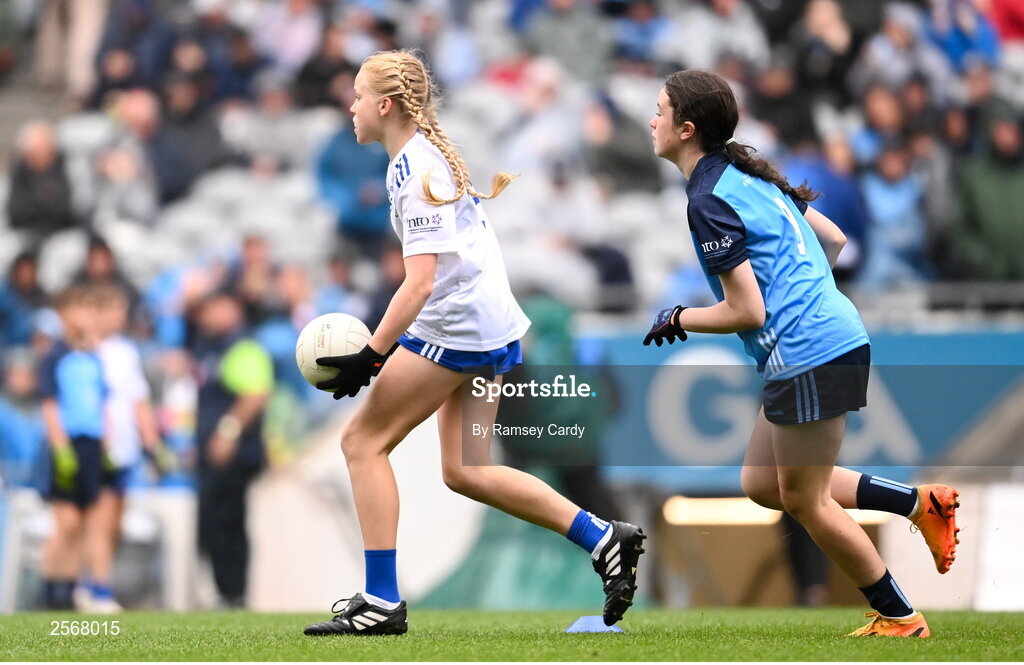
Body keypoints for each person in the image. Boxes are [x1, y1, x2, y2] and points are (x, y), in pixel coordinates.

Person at [302, 50, 645, 636]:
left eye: (358, 96)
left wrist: (372, 354)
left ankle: (381, 600)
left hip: (457, 328)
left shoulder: (416, 172)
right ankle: (603, 536)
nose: (351, 106)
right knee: (467, 471)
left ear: (386, 105)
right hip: (484, 325)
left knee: (362, 442)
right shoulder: (414, 162)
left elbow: (420, 283)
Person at [642, 69, 960, 637]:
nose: (652, 120)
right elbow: (833, 239)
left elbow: (747, 311)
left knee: (807, 501)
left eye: (660, 110)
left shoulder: (708, 198)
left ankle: (900, 616)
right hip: (826, 337)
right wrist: (806, 296)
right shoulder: (746, 175)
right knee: (763, 482)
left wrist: (679, 317)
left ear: (686, 129)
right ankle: (919, 504)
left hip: (807, 351)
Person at [191, 290, 273, 608]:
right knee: (215, 522)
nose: (207, 316)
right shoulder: (212, 346)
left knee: (227, 522)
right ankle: (226, 592)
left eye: (213, 307)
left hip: (234, 454)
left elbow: (255, 393)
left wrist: (227, 432)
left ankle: (233, 593)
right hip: (214, 454)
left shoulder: (242, 346)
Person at [38, 285, 115, 611]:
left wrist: (107, 440)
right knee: (66, 522)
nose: (88, 316)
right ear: (64, 314)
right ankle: (48, 586)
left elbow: (102, 402)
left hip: (92, 445)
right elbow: (49, 404)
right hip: (67, 445)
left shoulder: (95, 357)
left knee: (86, 522)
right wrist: (60, 446)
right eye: (81, 308)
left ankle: (69, 589)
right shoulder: (55, 356)